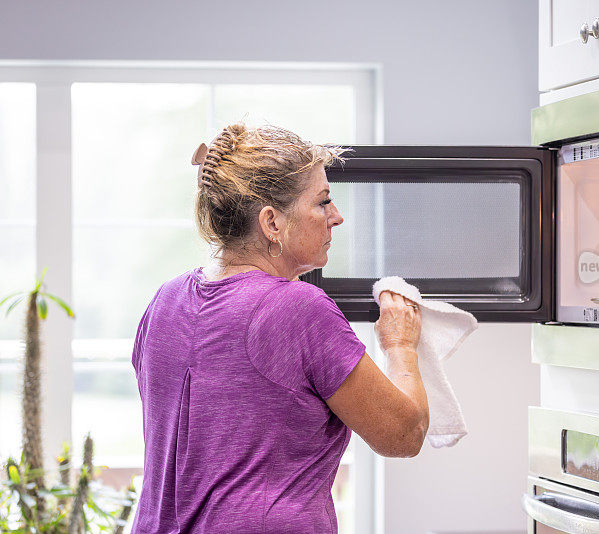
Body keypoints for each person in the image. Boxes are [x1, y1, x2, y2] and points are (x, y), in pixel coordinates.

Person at [130, 123, 429, 533]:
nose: (336, 217)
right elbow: (403, 434)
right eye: (323, 202)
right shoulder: (299, 308)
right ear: (272, 222)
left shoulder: (164, 300)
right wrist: (401, 346)